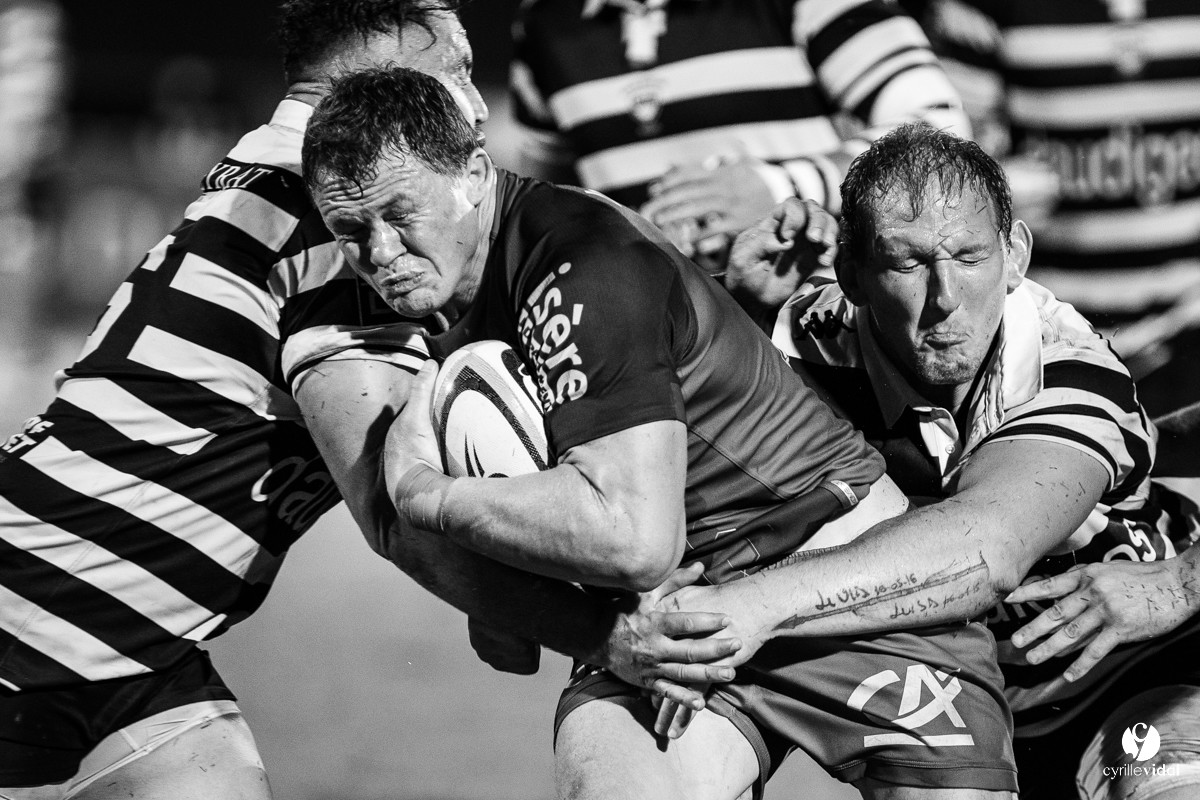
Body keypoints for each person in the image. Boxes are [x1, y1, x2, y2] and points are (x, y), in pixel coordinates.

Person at [0, 3, 732, 797]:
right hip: (43, 615)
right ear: (381, 56)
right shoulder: (338, 226)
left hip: (130, 647)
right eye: (455, 70)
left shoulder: (267, 169)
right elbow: (396, 517)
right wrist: (606, 634)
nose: (475, 104)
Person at [303, 66, 1026, 799]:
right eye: (351, 231)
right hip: (672, 623)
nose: (381, 252)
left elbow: (633, 542)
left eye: (402, 214)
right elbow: (508, 642)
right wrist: (585, 624)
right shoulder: (442, 309)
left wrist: (433, 501)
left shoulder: (583, 263)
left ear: (475, 175)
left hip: (837, 585)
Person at [707, 121, 1200, 799]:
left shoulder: (1065, 364)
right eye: (909, 264)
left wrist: (1184, 583)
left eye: (970, 257)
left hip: (1137, 665)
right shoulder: (802, 334)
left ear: (1015, 255)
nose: (945, 298)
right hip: (955, 693)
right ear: (851, 274)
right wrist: (733, 307)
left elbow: (984, 550)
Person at [509, 0, 969, 270]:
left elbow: (943, 135)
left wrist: (782, 189)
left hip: (813, 338)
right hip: (650, 347)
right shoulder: (542, 22)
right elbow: (544, 201)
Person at [907, 0, 1200, 418]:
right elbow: (938, 152)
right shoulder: (980, 8)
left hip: (1188, 328)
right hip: (1050, 334)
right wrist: (994, 188)